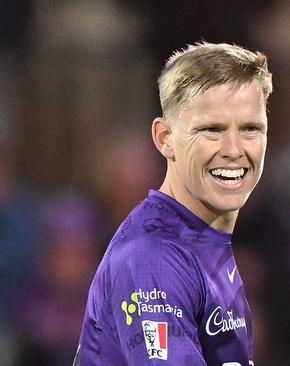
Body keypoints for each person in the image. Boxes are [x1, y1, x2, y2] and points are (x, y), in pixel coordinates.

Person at [74, 41, 272, 365]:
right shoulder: (154, 255)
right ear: (165, 138)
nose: (235, 149)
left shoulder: (202, 240)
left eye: (251, 128)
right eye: (211, 129)